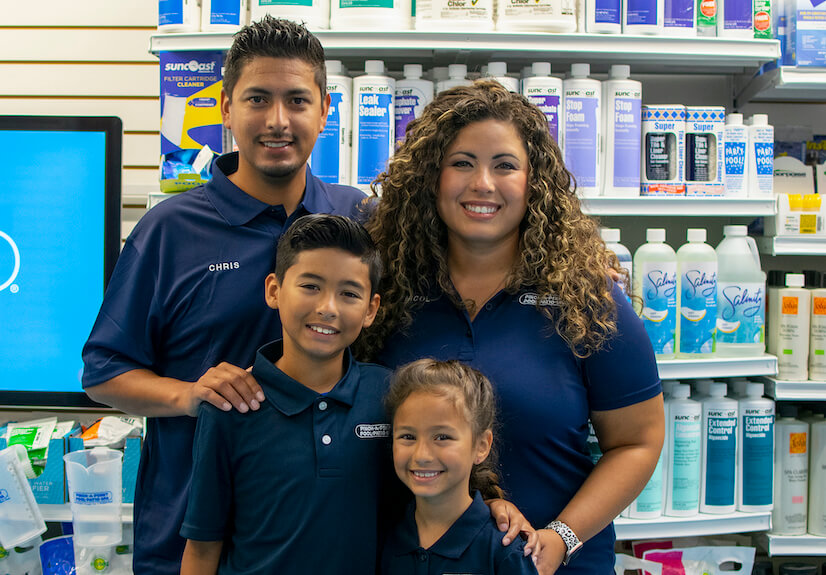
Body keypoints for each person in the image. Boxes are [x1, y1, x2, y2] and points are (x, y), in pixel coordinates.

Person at [81, 17, 368, 574]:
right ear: (225, 109)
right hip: (189, 545)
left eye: (297, 100)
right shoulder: (169, 230)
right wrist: (190, 395)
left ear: (325, 110)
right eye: (258, 99)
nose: (278, 121)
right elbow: (102, 372)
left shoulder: (357, 218)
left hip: (319, 544)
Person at [358, 81, 665, 574]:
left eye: (505, 165)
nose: (483, 183)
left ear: (534, 182)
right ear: (429, 177)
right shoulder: (386, 293)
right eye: (461, 163)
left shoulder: (585, 298)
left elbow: (638, 441)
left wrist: (561, 538)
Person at [179, 214, 390, 574]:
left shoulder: (390, 395)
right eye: (310, 286)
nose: (328, 307)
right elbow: (202, 549)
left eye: (349, 293)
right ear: (274, 290)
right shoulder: (230, 406)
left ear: (371, 309)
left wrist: (493, 504)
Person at [381, 359, 538, 575]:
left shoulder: (505, 548)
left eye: (442, 437)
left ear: (481, 446)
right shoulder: (385, 538)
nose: (422, 455)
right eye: (408, 436)